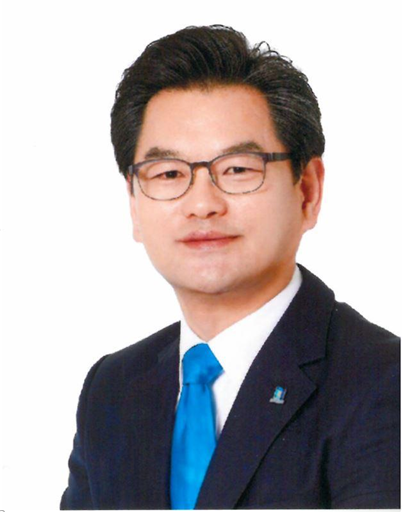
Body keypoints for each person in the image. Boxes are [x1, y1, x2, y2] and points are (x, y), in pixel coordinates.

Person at [60, 25, 400, 509]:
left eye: (238, 169)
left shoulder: (384, 382)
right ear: (134, 203)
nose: (202, 204)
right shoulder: (112, 390)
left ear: (307, 191)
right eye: (168, 173)